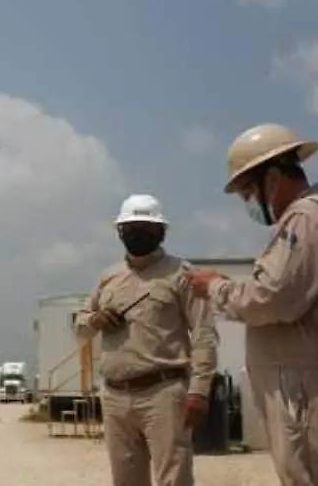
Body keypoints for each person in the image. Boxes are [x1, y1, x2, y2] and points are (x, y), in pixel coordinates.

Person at [184, 124, 318, 485]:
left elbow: (274, 299)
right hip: (310, 388)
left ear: (272, 179)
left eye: (247, 192)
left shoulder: (307, 218)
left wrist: (217, 287)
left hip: (308, 393)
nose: (248, 204)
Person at [75, 194, 218, 486]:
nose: (136, 233)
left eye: (145, 227)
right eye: (129, 228)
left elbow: (204, 334)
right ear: (119, 233)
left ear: (161, 232)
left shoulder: (182, 275)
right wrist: (95, 320)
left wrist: (200, 391)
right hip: (115, 395)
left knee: (173, 478)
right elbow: (80, 327)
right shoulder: (108, 278)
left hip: (164, 393)